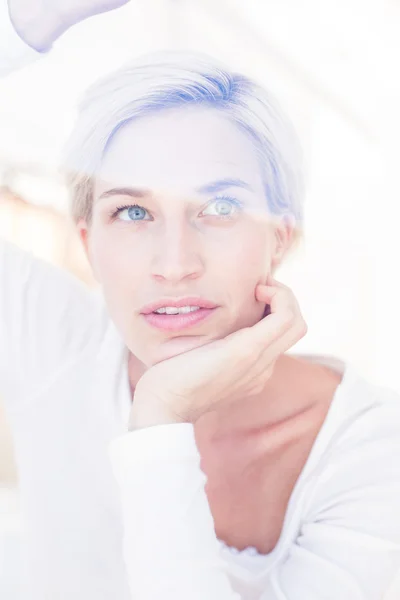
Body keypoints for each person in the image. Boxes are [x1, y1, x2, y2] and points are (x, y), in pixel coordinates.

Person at [1, 1, 400, 599]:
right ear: (88, 243)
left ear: (279, 238)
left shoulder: (373, 454)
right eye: (132, 212)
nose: (174, 264)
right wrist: (29, 22)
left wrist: (161, 421)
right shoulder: (55, 342)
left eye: (219, 209)